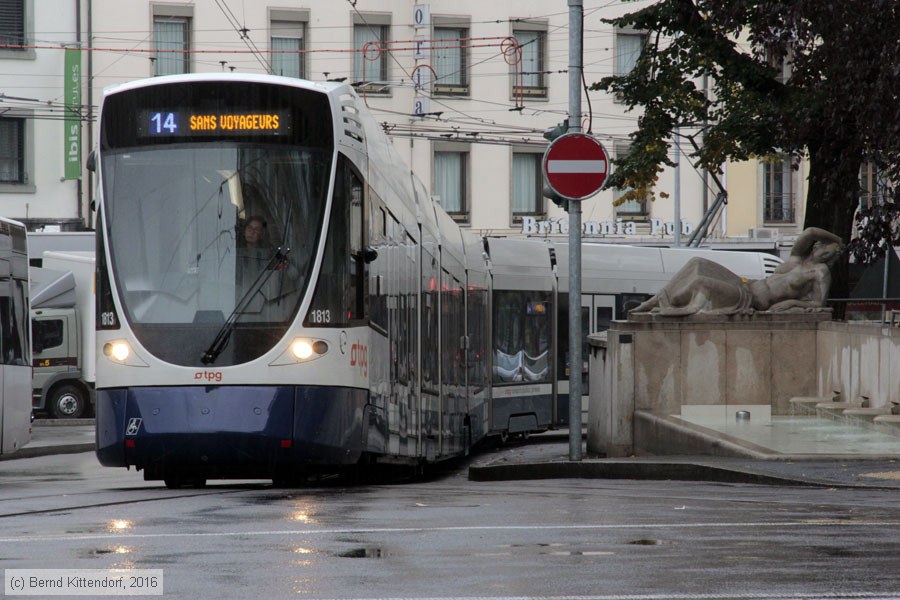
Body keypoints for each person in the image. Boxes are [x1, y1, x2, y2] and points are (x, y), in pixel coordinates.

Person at [631, 227, 844, 316]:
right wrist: (837, 239)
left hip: (748, 300)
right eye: (825, 247)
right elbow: (810, 232)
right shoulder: (796, 260)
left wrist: (791, 303)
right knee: (697, 262)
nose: (825, 253)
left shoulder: (820, 272)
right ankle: (655, 301)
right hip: (745, 283)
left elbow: (818, 305)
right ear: (817, 245)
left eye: (830, 254)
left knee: (702, 282)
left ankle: (678, 309)